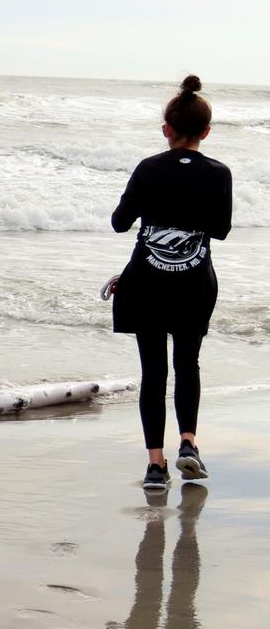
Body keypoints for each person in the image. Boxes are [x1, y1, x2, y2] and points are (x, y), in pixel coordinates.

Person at [111, 75, 232, 492]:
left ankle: (155, 466)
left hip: (145, 282)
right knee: (188, 364)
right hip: (195, 284)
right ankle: (189, 444)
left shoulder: (148, 168)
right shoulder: (219, 173)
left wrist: (155, 209)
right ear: (206, 132)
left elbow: (119, 223)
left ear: (167, 129)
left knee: (153, 372)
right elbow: (220, 230)